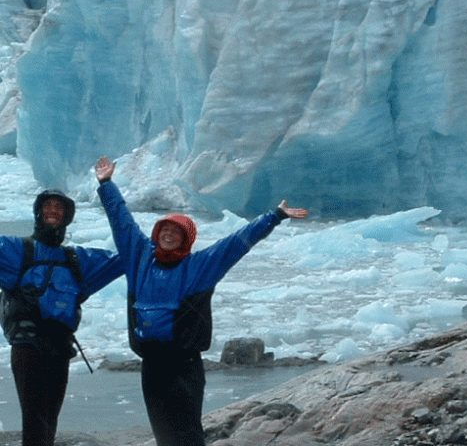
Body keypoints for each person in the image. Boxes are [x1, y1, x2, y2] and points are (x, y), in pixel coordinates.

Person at [94, 156, 308, 446]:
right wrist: (106, 184)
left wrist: (274, 217)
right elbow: (121, 221)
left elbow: (236, 243)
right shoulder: (139, 259)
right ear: (157, 235)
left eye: (177, 233)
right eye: (165, 230)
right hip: (152, 365)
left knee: (186, 435)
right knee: (164, 435)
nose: (169, 235)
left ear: (186, 241)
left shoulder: (199, 267)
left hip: (184, 365)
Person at [0, 189, 124, 446]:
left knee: (49, 420)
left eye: (59, 207)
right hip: (28, 345)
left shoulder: (76, 259)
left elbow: (127, 256)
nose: (53, 211)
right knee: (35, 420)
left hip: (59, 346)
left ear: (67, 216)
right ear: (38, 212)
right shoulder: (17, 250)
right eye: (48, 206)